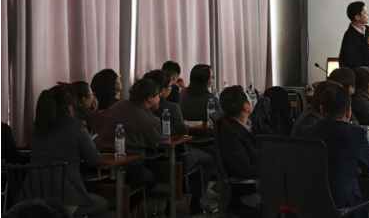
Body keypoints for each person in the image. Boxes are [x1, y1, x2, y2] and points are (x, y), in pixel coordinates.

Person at [30, 85, 111, 218]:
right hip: (65, 200)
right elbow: (95, 160)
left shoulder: (37, 129)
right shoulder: (76, 126)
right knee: (102, 203)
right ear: (69, 106)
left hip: (32, 197)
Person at [143, 70, 214, 215]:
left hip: (145, 160)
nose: (171, 89)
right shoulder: (171, 107)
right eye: (170, 86)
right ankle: (197, 202)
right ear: (162, 90)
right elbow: (182, 131)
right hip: (174, 158)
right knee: (207, 159)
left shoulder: (139, 107)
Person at [308, 82, 369, 216]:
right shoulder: (355, 133)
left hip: (312, 206)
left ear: (321, 109)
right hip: (346, 208)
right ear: (349, 111)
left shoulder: (308, 132)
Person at [217, 85, 260, 212]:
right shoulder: (232, 133)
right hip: (247, 189)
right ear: (246, 106)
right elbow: (244, 170)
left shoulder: (231, 125)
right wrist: (270, 168)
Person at [95, 78, 161, 152]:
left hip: (101, 153)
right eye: (158, 95)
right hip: (129, 157)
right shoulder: (149, 121)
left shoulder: (118, 105)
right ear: (150, 98)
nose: (159, 98)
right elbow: (157, 144)